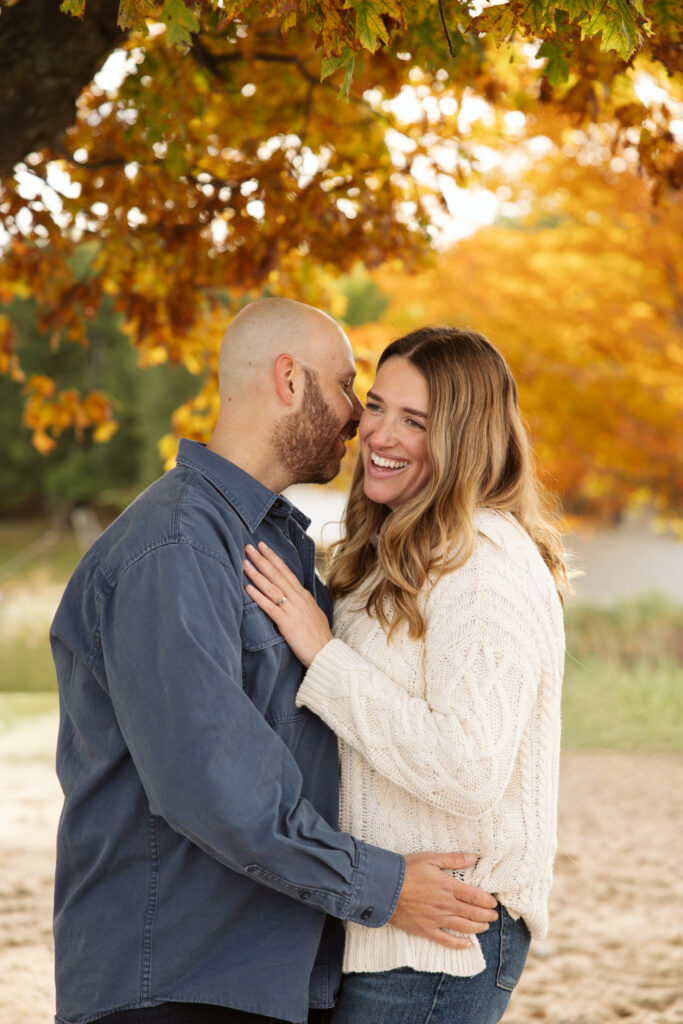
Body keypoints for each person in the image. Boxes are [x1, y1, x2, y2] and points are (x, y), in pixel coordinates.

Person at [50, 301, 498, 1024]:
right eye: (349, 386)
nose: (358, 417)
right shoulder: (173, 551)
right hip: (176, 981)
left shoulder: (277, 546)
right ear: (289, 380)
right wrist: (382, 886)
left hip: (266, 978)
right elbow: (213, 786)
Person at [244, 326, 567, 1024]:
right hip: (383, 926)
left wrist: (321, 654)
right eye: (377, 405)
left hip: (441, 941)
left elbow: (468, 764)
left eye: (414, 421)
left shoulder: (482, 563)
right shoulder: (398, 546)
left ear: (463, 438)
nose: (378, 434)